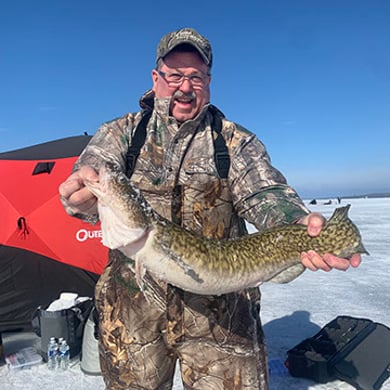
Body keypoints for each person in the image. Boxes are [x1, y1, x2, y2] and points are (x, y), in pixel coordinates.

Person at [59, 28, 361, 390]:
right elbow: (93, 171)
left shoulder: (234, 141)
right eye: (174, 75)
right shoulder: (121, 133)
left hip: (224, 320)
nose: (185, 87)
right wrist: (81, 193)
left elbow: (265, 192)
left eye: (195, 76)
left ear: (209, 82)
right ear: (156, 79)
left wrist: (296, 221)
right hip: (131, 316)